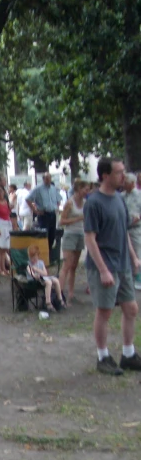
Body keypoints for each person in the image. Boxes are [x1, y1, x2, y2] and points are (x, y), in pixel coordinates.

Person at [84, 157, 141, 376]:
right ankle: (103, 357)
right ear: (105, 175)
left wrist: (134, 258)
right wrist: (103, 269)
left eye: (123, 172)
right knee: (104, 311)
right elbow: (90, 239)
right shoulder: (94, 202)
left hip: (122, 264)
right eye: (119, 172)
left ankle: (128, 354)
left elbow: (123, 231)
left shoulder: (119, 199)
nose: (124, 176)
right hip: (104, 266)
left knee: (131, 308)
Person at [58, 179, 89, 303]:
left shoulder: (86, 203)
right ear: (78, 189)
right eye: (85, 189)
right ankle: (59, 295)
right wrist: (78, 219)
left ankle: (71, 293)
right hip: (70, 235)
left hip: (81, 235)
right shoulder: (69, 203)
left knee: (74, 266)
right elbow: (62, 221)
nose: (87, 192)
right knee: (66, 265)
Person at [27, 244, 65, 312]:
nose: (33, 260)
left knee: (56, 280)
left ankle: (60, 299)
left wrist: (37, 270)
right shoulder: (28, 265)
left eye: (35, 258)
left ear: (38, 256)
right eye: (31, 258)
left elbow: (45, 273)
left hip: (43, 277)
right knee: (49, 282)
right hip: (34, 280)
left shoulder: (41, 263)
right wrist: (35, 274)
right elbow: (31, 274)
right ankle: (48, 303)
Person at [26, 172, 59, 251]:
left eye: (49, 178)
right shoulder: (38, 189)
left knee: (52, 235)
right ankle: (43, 254)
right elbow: (28, 199)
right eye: (46, 178)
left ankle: (49, 253)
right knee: (44, 235)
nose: (48, 180)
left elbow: (58, 199)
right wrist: (35, 210)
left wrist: (56, 207)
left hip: (52, 214)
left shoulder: (53, 188)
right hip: (44, 214)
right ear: (43, 179)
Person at [121, 172, 141, 291]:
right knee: (125, 254)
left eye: (126, 182)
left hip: (135, 229)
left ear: (132, 183)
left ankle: (137, 278)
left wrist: (138, 217)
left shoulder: (139, 195)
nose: (123, 184)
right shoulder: (121, 196)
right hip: (123, 228)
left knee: (137, 252)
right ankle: (127, 279)